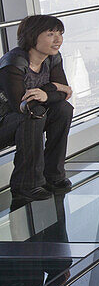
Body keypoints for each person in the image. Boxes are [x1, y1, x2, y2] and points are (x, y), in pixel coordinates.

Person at [0, 15, 73, 205]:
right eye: (50, 34)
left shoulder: (52, 58)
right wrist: (54, 88)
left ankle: (53, 176)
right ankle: (25, 185)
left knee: (63, 109)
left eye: (60, 33)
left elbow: (64, 94)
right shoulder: (13, 62)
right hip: (4, 124)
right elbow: (21, 105)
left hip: (25, 117)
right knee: (33, 113)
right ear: (32, 36)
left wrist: (46, 93)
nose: (58, 40)